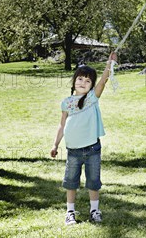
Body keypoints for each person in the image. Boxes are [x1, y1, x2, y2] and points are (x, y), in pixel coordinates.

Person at [50, 52, 117, 225]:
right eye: (80, 79)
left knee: (93, 181)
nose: (83, 83)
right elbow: (62, 125)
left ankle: (94, 210)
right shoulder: (67, 102)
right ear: (74, 81)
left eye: (88, 81)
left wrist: (110, 63)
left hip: (92, 149)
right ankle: (70, 212)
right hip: (73, 150)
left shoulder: (92, 98)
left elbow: (103, 80)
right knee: (71, 182)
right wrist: (55, 144)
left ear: (91, 85)